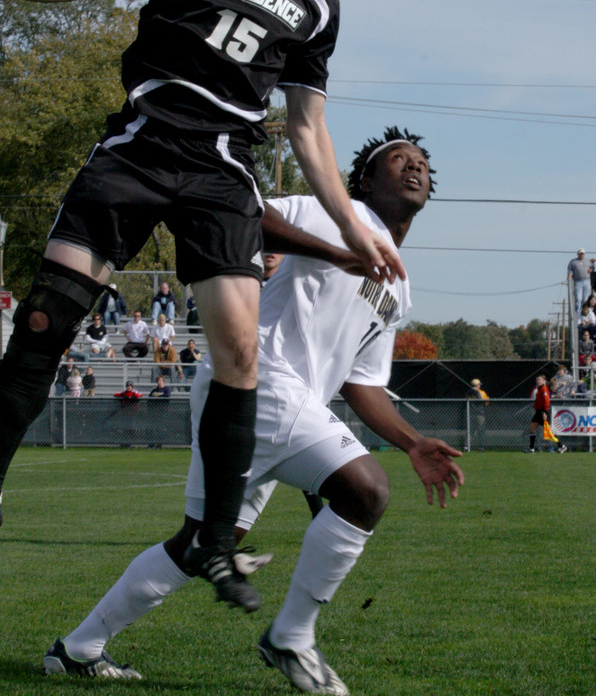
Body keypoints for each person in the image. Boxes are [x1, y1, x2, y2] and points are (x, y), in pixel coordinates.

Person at [0, 0, 404, 609]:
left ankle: (216, 541)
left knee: (240, 347)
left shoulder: (319, 0)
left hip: (222, 170)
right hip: (139, 146)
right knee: (47, 319)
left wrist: (353, 229)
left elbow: (308, 127)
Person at [43, 129, 463, 691]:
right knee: (366, 491)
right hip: (260, 377)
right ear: (364, 179)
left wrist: (412, 441)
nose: (413, 167)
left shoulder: (400, 288)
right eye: (397, 160)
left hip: (265, 400)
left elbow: (364, 385)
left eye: (421, 164)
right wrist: (340, 250)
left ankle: (77, 648)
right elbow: (241, 213)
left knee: (199, 546)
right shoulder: (331, 213)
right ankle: (291, 638)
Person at [527, 374, 567, 453]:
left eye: (539, 380)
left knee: (550, 431)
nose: (538, 381)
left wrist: (544, 412)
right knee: (532, 429)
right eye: (537, 380)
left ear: (544, 381)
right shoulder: (539, 389)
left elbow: (546, 402)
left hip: (543, 412)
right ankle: (531, 448)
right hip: (538, 412)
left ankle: (562, 446)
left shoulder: (544, 389)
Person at [466, 378, 489, 452]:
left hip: (470, 414)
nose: (480, 386)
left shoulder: (468, 392)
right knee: (481, 431)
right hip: (480, 414)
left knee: (470, 432)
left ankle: (466, 446)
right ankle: (481, 447)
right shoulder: (480, 392)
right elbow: (485, 402)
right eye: (479, 384)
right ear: (477, 385)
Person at [567, 247, 591, 317]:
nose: (581, 255)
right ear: (577, 254)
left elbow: (592, 267)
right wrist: (570, 275)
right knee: (578, 298)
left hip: (587, 280)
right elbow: (570, 269)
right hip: (578, 281)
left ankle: (585, 311)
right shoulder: (573, 262)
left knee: (585, 298)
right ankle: (578, 312)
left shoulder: (588, 261)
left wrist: (591, 270)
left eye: (583, 254)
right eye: (580, 254)